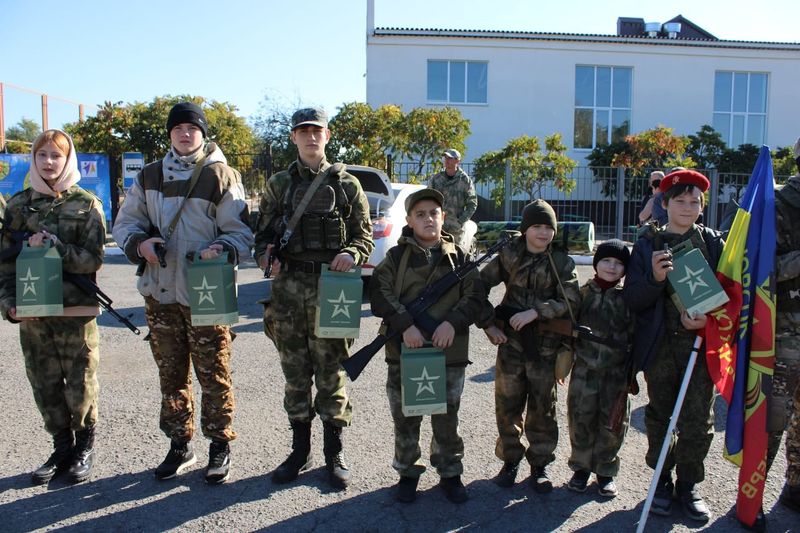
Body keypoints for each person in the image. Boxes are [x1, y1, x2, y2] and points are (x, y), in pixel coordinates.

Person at [112, 102, 253, 485]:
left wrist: (221, 248)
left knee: (214, 373)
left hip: (207, 292)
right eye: (178, 128)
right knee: (170, 375)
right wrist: (139, 244)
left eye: (192, 127)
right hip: (160, 292)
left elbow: (241, 232)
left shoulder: (221, 175)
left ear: (203, 134)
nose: (185, 134)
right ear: (170, 134)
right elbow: (125, 223)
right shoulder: (149, 176)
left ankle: (219, 445)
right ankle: (179, 444)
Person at [254, 107, 374, 490]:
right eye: (303, 131)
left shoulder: (347, 185)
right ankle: (299, 451)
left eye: (316, 131)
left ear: (326, 135)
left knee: (332, 372)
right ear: (293, 137)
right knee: (294, 375)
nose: (310, 137)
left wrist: (352, 254)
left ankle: (333, 453)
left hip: (333, 290)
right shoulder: (278, 184)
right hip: (289, 289)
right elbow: (263, 234)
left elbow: (364, 235)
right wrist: (265, 256)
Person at [0, 129, 106, 485]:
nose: (49, 162)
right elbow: (5, 264)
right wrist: (8, 303)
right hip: (33, 312)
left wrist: (57, 247)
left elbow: (93, 258)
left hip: (75, 311)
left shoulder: (86, 204)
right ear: (34, 159)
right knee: (44, 383)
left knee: (80, 382)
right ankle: (61, 446)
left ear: (67, 159)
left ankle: (83, 448)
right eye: (42, 155)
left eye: (56, 156)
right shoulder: (17, 206)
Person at [369, 188, 486, 504]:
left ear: (443, 217)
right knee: (406, 418)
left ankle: (450, 472)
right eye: (420, 214)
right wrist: (405, 324)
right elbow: (379, 293)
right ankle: (408, 473)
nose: (428, 219)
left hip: (449, 354)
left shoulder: (459, 257)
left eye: (433, 212)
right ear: (409, 220)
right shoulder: (396, 257)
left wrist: (453, 322)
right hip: (404, 354)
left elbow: (475, 297)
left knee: (447, 418)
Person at [623, 169, 723, 522]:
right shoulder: (648, 243)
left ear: (702, 205)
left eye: (694, 201)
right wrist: (655, 278)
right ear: (663, 204)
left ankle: (688, 485)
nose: (687, 207)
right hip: (660, 347)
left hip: (700, 345)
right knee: (660, 417)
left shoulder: (713, 243)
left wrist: (707, 320)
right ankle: (662, 481)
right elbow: (632, 299)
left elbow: (732, 296)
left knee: (698, 420)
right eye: (679, 201)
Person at [479, 199, 580, 492]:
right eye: (537, 226)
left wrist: (537, 311)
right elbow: (477, 286)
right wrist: (488, 323)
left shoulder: (561, 261)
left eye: (549, 227)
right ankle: (510, 460)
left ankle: (540, 465)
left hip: (545, 346)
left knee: (542, 407)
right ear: (525, 229)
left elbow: (572, 300)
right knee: (507, 404)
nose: (543, 233)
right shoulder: (510, 255)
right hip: (510, 343)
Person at [566, 239, 634, 498]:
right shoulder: (583, 293)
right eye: (606, 260)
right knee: (580, 418)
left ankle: (605, 471)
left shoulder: (628, 298)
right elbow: (568, 328)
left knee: (613, 422)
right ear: (596, 263)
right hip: (584, 370)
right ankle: (581, 468)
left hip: (616, 374)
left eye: (618, 263)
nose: (611, 267)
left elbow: (636, 333)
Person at [763, 154, 800, 516]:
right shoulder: (773, 203)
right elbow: (752, 265)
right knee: (772, 419)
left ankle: (795, 487)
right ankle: (751, 495)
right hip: (785, 329)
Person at [427, 149, 477, 247]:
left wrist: (460, 221)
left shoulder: (465, 180)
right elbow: (428, 199)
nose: (446, 160)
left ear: (457, 161)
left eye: (450, 158)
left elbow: (472, 204)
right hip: (438, 226)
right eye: (445, 158)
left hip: (456, 229)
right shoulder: (436, 179)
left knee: (455, 256)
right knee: (435, 255)